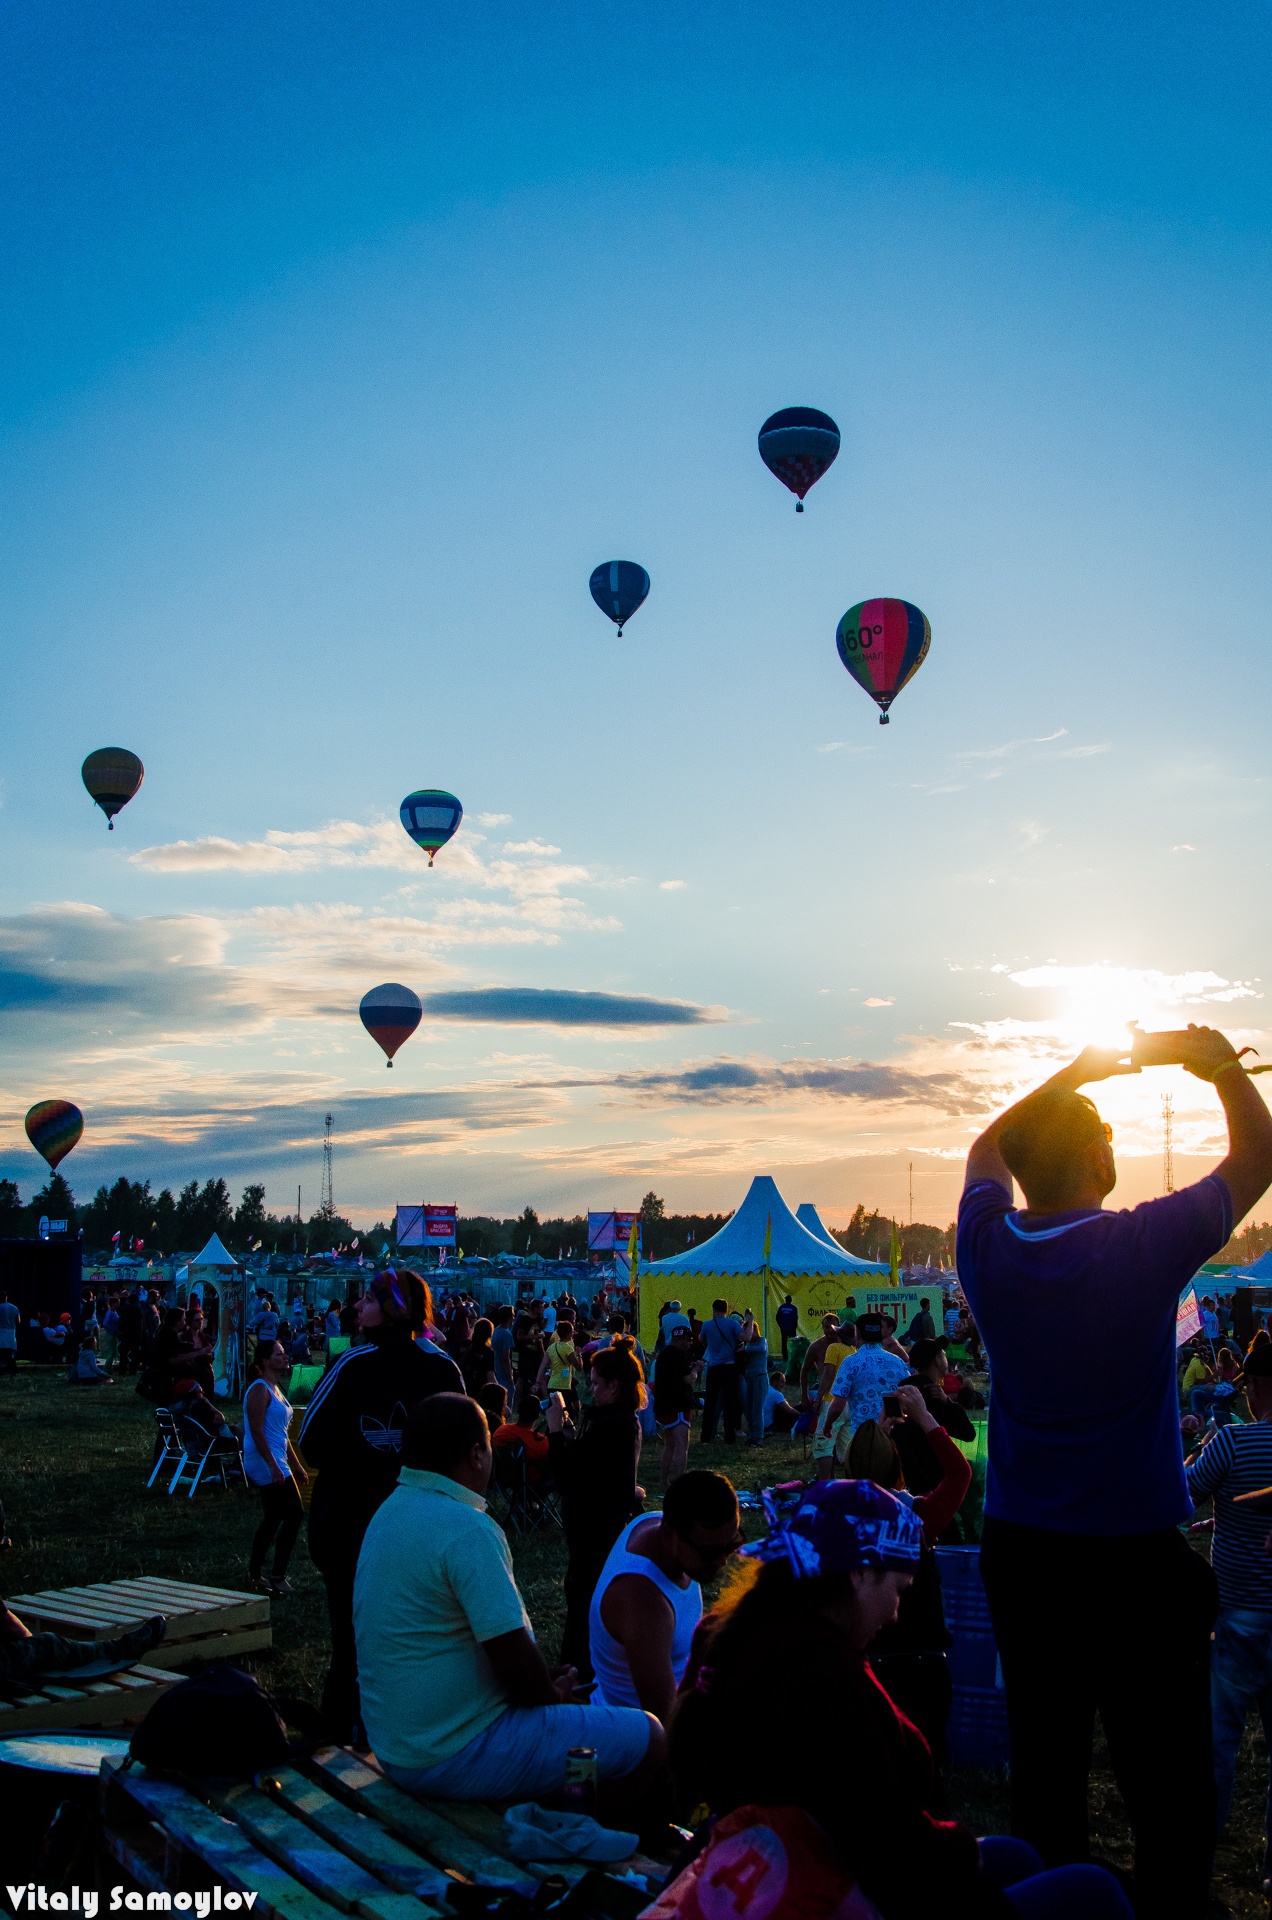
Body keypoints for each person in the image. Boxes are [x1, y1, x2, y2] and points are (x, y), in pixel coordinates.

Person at [958, 1031, 1272, 1918]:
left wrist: (1076, 1071)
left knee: (1046, 1769)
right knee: (1165, 1782)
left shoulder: (987, 1249)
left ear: (1023, 1171)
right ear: (1102, 1157)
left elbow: (984, 1144)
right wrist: (1218, 1064)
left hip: (1024, 1554)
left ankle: (1052, 1903)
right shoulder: (1143, 1245)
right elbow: (1259, 1155)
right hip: (1134, 1555)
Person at [667, 1477, 1133, 1920]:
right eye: (897, 1590)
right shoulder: (821, 1673)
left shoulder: (735, 1634)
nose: (895, 1614)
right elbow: (886, 1842)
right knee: (1096, 1888)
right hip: (837, 1891)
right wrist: (957, 1855)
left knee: (1018, 1854)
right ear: (857, 1575)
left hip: (766, 1868)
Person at [353, 1392, 664, 1811]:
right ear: (477, 1454)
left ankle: (566, 1804)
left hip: (399, 1744)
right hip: (453, 1752)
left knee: (581, 1737)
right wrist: (552, 1696)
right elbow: (515, 1667)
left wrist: (540, 1680)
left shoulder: (389, 1511)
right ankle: (576, 1830)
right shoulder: (467, 1529)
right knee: (648, 1737)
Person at [297, 1267, 463, 1739]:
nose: (358, 1308)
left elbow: (309, 1442)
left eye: (369, 1299)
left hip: (354, 1526)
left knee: (350, 1647)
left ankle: (337, 1742)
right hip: (421, 1529)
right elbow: (463, 1451)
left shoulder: (354, 1364)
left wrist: (359, 1456)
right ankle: (403, 1736)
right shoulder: (442, 1367)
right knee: (413, 1641)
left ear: (392, 1308)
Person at [845, 1384, 972, 1784]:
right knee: (922, 1772)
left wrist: (873, 1442)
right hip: (922, 1666)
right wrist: (924, 1418)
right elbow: (959, 1472)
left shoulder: (834, 1520)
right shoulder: (919, 1519)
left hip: (864, 1666)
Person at [1186, 1339, 1272, 1877]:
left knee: (1217, 1749)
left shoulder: (1234, 1443)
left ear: (1258, 1388)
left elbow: (1178, 1491)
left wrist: (1192, 1446)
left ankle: (1197, 1859)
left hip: (1237, 1617)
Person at [589, 1470, 742, 1719]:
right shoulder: (645, 1605)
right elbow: (665, 1723)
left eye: (731, 1544)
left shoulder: (653, 1521)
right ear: (671, 1535)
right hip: (640, 1737)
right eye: (711, 1551)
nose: (723, 1560)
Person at [546, 1339, 644, 1677]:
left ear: (614, 1385)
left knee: (583, 1616)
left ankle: (578, 1679)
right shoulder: (620, 1421)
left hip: (595, 1535)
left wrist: (556, 1431)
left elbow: (567, 1479)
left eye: (596, 1383)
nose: (591, 1389)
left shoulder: (611, 1427)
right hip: (602, 1530)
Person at [243, 1338, 308, 1594]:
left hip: (277, 1460)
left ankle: (256, 1574)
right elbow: (257, 1431)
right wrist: (272, 1465)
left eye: (284, 1353)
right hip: (263, 1460)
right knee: (293, 1514)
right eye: (279, 1354)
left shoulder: (275, 1387)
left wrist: (297, 1465)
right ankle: (275, 1575)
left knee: (275, 1517)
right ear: (265, 1361)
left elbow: (281, 1434)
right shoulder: (259, 1389)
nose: (285, 1357)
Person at [815, 1314, 911, 1479]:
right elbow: (909, 1396)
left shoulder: (851, 1362)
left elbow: (838, 1405)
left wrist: (828, 1424)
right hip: (895, 1435)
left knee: (864, 1486)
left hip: (865, 1438)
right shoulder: (897, 1362)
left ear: (857, 1333)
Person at [653, 1325, 701, 1490]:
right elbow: (688, 1379)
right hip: (678, 1405)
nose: (690, 1343)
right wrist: (695, 1369)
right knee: (682, 1446)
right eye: (688, 1340)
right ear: (679, 1339)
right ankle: (678, 1485)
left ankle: (663, 1482)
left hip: (663, 1406)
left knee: (670, 1445)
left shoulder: (664, 1354)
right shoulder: (678, 1356)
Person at [699, 1298, 741, 1443]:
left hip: (714, 1367)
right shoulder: (733, 1324)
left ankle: (705, 1436)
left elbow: (701, 1340)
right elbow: (745, 1337)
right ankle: (730, 1437)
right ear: (726, 1309)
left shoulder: (707, 1324)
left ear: (713, 1309)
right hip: (730, 1367)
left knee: (710, 1403)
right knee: (730, 1403)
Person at [492, 1391, 551, 1480]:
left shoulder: (501, 1432)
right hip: (532, 1481)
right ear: (537, 1416)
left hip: (506, 1479)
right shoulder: (542, 1442)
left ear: (518, 1411)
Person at [736, 1309, 770, 1446]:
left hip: (760, 1378)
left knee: (757, 1409)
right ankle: (753, 1433)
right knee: (748, 1408)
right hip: (749, 1378)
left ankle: (758, 1437)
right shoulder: (747, 1344)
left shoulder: (762, 1341)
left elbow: (761, 1349)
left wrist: (745, 1349)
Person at [1193, 1346, 1243, 1428]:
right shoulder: (1234, 1363)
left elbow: (1219, 1380)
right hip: (1230, 1389)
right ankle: (1206, 1413)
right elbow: (1234, 1377)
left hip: (1221, 1391)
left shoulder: (1221, 1365)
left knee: (1196, 1393)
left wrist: (1214, 1376)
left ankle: (1201, 1416)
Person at [491, 1305, 516, 1394]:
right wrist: (510, 1377)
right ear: (509, 1318)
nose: (514, 1318)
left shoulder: (495, 1331)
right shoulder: (506, 1334)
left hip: (495, 1372)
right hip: (503, 1375)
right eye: (513, 1316)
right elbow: (505, 1358)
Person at [775, 1293, 799, 1361]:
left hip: (784, 1328)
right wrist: (794, 1327)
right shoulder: (794, 1308)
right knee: (793, 1343)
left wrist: (781, 1325)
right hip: (791, 1328)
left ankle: (785, 1358)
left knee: (784, 1343)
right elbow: (795, 1318)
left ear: (785, 1300)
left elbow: (777, 1317)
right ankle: (793, 1357)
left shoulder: (781, 1307)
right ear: (791, 1300)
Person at [0, 1292, 18, 1375]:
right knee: (9, 1353)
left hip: (1, 1331)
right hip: (11, 1332)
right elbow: (18, 1321)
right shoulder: (14, 1308)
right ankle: (12, 1371)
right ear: (6, 1297)